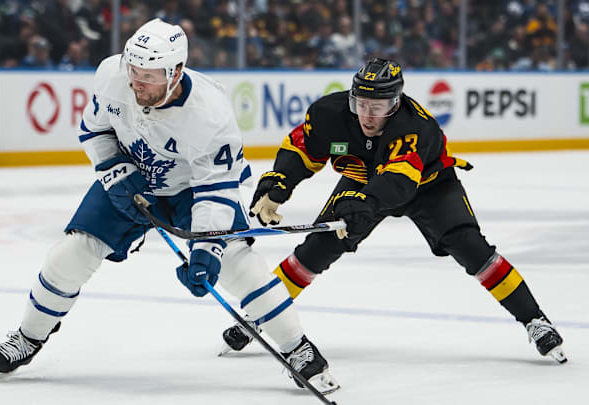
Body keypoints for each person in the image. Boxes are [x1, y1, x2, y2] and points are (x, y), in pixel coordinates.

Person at [0, 18, 340, 394]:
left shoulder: (209, 114)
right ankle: (27, 338)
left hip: (193, 191)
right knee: (68, 255)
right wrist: (116, 173)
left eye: (148, 76)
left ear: (176, 72)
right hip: (133, 176)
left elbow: (214, 190)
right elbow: (94, 130)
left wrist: (205, 251)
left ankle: (297, 348)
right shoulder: (112, 76)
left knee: (237, 263)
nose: (137, 82)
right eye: (134, 71)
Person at [220, 58, 567, 364]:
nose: (368, 115)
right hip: (363, 182)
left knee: (469, 246)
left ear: (396, 102)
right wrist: (279, 181)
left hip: (428, 185)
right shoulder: (330, 113)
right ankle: (261, 314)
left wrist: (363, 204)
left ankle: (535, 320)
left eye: (380, 105)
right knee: (317, 248)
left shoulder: (415, 126)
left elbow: (400, 180)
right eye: (362, 104)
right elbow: (301, 148)